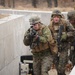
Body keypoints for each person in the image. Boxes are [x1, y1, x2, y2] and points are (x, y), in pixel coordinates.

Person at [48, 10, 74, 75]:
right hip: (55, 49)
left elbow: (73, 32)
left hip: (64, 48)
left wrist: (66, 35)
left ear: (60, 17)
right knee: (57, 67)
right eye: (54, 17)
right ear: (52, 17)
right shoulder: (50, 26)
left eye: (57, 17)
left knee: (61, 67)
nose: (56, 18)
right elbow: (48, 37)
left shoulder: (65, 23)